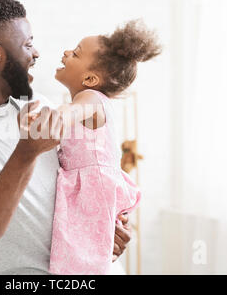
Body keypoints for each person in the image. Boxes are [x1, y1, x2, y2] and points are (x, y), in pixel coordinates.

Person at [0, 0, 132, 275]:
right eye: (27, 44)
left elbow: (82, 181)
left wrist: (104, 224)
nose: (36, 54)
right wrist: (25, 154)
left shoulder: (38, 105)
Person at [21, 20, 161, 274]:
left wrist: (56, 116)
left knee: (79, 260)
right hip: (94, 186)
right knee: (84, 256)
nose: (66, 53)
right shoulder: (96, 100)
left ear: (89, 78)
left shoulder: (90, 99)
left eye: (75, 53)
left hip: (91, 188)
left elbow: (73, 112)